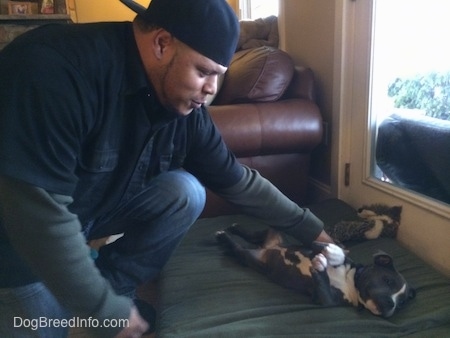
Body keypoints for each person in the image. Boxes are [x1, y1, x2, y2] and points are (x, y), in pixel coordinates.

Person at [0, 0, 334, 336]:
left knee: (184, 192)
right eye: (203, 72)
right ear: (161, 43)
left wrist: (312, 229)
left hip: (85, 210)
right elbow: (37, 211)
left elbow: (237, 181)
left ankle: (116, 286)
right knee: (42, 327)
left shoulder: (184, 106)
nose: (211, 89)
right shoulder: (53, 69)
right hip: (14, 236)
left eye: (218, 75)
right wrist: (103, 310)